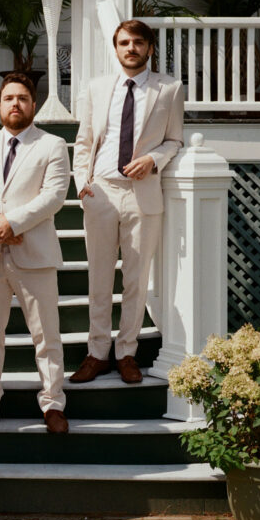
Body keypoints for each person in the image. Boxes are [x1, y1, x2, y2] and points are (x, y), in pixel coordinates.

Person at [71, 19, 184, 385]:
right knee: (99, 278)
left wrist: (153, 159)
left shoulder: (169, 89)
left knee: (136, 279)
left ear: (149, 48)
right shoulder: (97, 88)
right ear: (115, 48)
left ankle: (127, 353)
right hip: (101, 192)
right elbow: (85, 142)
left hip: (142, 194)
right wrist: (81, 184)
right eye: (123, 43)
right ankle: (96, 352)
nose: (130, 48)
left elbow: (174, 141)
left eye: (138, 42)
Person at [0, 73, 71, 432]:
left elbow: (54, 195)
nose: (15, 104)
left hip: (35, 253)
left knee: (46, 335)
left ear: (33, 104)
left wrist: (14, 222)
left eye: (22, 98)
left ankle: (53, 402)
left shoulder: (52, 144)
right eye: (9, 98)